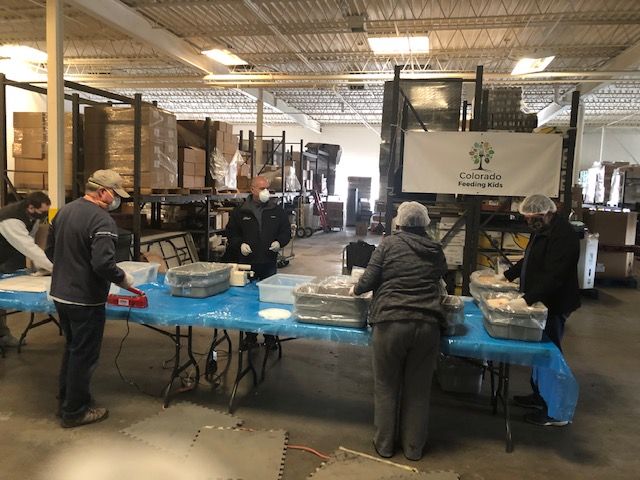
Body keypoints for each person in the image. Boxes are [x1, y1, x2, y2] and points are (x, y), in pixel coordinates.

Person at [351, 201, 447, 461]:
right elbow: (440, 276)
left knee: (386, 386)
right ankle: (414, 448)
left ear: (400, 222)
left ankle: (384, 446)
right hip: (427, 324)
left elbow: (369, 280)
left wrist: (356, 289)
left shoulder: (389, 245)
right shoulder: (435, 248)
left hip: (391, 322)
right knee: (418, 390)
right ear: (424, 223)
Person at [46, 170, 134, 428]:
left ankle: (66, 401)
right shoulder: (101, 220)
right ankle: (75, 411)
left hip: (61, 294)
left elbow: (50, 251)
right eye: (115, 194)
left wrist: (70, 269)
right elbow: (103, 264)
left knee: (73, 349)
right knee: (84, 355)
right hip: (85, 299)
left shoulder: (64, 211)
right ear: (103, 191)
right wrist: (123, 279)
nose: (117, 199)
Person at [501, 194, 580, 427]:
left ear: (546, 213)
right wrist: (506, 276)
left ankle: (554, 412)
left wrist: (528, 299)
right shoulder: (543, 229)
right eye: (526, 218)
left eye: (531, 218)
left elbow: (555, 275)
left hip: (554, 304)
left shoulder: (564, 235)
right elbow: (529, 259)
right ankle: (539, 396)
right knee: (538, 354)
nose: (528, 223)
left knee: (549, 355)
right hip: (540, 302)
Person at [225, 175, 291, 349]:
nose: (265, 191)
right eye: (261, 188)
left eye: (266, 187)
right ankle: (250, 336)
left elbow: (286, 232)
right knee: (248, 301)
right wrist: (240, 245)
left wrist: (280, 242)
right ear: (252, 190)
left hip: (269, 263)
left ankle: (270, 337)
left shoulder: (277, 211)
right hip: (248, 263)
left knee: (270, 300)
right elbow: (231, 233)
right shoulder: (241, 211)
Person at [0, 191, 53, 348]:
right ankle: (3, 336)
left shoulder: (31, 217)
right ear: (31, 207)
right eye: (42, 212)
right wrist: (54, 268)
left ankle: (3, 336)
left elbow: (31, 242)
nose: (44, 215)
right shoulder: (11, 219)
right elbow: (28, 247)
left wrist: (40, 268)